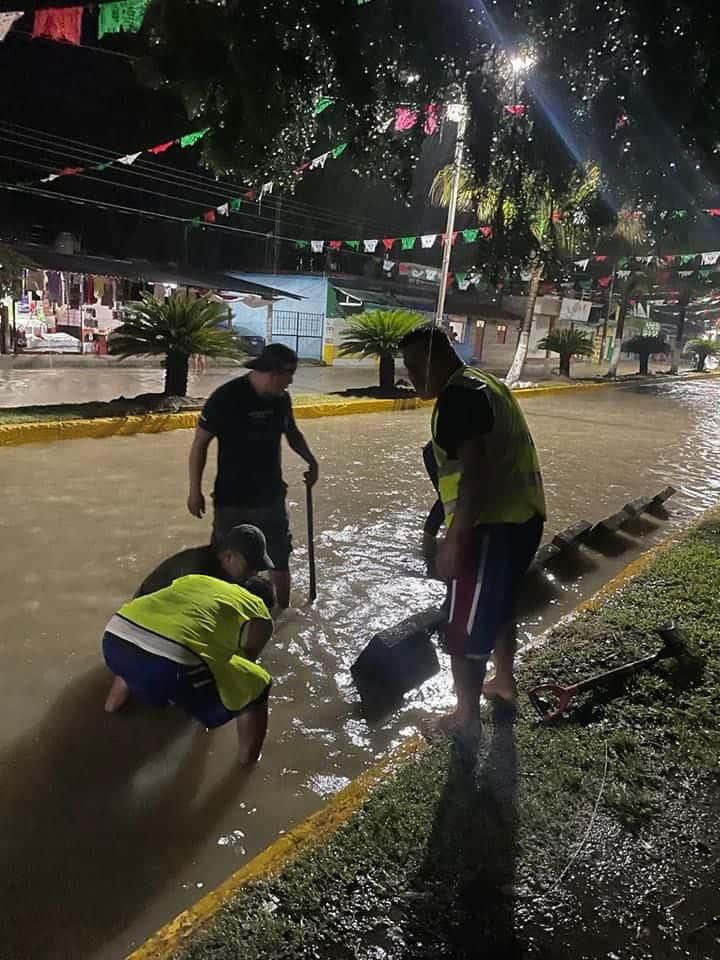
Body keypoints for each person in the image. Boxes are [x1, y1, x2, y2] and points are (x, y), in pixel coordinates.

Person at [400, 326, 546, 736]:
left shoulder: (457, 396)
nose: (409, 376)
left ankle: (465, 718)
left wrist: (455, 539)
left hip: (489, 527)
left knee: (462, 628)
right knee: (498, 608)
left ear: (437, 358)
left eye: (414, 366)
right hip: (525, 516)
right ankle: (502, 681)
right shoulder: (486, 384)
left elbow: (475, 476)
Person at [187, 343, 319, 610]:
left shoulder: (281, 399)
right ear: (272, 372)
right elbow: (200, 444)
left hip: (270, 496)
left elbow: (292, 434)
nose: (291, 381)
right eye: (289, 374)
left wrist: (312, 461)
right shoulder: (226, 397)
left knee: (279, 557)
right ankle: (222, 614)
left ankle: (281, 616)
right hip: (231, 498)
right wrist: (194, 490)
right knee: (228, 562)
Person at [102, 574, 276, 765]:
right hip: (172, 664)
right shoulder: (259, 611)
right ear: (267, 605)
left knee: (148, 642)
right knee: (258, 686)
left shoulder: (198, 580)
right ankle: (247, 762)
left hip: (115, 637)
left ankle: (112, 707)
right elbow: (246, 660)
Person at [134, 524, 274, 599]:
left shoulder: (219, 561)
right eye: (249, 567)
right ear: (228, 556)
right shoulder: (202, 575)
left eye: (257, 568)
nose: (254, 573)